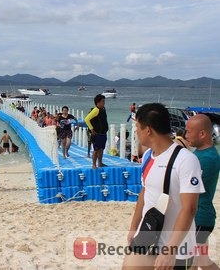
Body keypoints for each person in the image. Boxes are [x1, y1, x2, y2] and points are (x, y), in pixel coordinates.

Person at [123, 103, 205, 269]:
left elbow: (189, 208)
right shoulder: (147, 156)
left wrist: (170, 250)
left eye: (138, 127)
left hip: (177, 246)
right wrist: (134, 228)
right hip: (148, 236)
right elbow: (144, 193)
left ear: (148, 130)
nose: (136, 132)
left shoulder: (186, 160)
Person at [185, 114, 220, 270]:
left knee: (193, 262)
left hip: (200, 218)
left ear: (202, 134)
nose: (186, 135)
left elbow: (185, 187)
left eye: (188, 132)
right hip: (201, 217)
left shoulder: (207, 159)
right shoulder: (201, 154)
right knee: (202, 262)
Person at [84, 94, 108, 169]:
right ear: (98, 102)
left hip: (103, 133)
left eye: (104, 101)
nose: (104, 103)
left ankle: (100, 163)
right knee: (96, 149)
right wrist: (91, 129)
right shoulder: (96, 110)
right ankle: (94, 164)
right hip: (97, 134)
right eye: (102, 101)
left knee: (101, 149)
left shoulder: (103, 109)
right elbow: (86, 119)